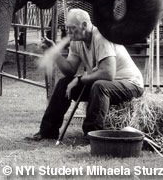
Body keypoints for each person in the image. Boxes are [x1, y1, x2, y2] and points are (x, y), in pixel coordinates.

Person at [27, 8, 144, 141]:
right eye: (66, 28)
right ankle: (47, 132)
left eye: (72, 28)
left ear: (84, 25)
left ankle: (93, 135)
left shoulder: (101, 37)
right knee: (63, 83)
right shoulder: (76, 40)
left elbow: (108, 73)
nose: (68, 31)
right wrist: (54, 52)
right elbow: (70, 70)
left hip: (130, 84)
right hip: (106, 84)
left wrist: (80, 80)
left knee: (100, 86)